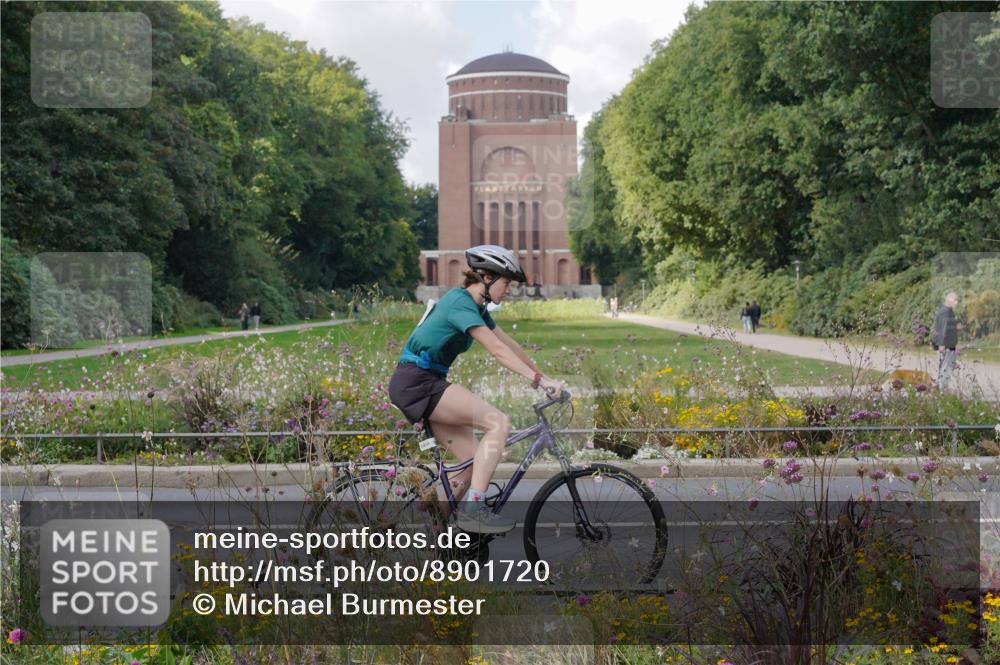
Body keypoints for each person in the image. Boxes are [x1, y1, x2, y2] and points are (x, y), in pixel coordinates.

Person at [388, 245, 566, 534]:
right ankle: (473, 512)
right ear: (486, 277)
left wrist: (544, 379)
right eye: (506, 282)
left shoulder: (476, 308)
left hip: (426, 382)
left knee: (472, 466)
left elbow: (510, 346)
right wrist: (540, 381)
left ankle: (440, 540)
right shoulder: (460, 302)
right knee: (499, 422)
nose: (508, 289)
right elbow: (495, 349)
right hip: (417, 382)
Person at [931, 291, 960, 390]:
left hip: (950, 344)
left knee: (948, 366)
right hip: (945, 345)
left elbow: (948, 327)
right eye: (955, 300)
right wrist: (941, 344)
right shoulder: (945, 312)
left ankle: (941, 388)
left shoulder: (949, 311)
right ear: (949, 300)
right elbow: (942, 329)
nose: (957, 302)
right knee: (945, 368)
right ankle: (942, 390)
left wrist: (956, 328)